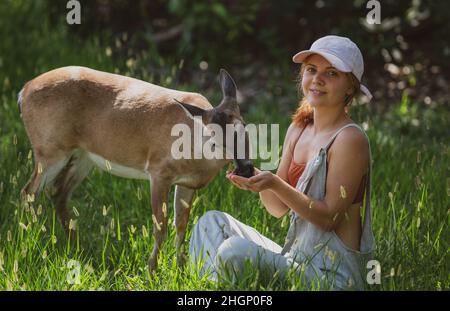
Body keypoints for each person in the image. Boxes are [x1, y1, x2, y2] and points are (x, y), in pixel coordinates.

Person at [189, 35, 376, 290]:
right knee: (210, 223)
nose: (318, 79)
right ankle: (217, 288)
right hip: (295, 261)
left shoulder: (350, 139)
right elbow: (277, 208)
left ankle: (221, 286)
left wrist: (274, 183)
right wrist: (258, 179)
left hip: (332, 278)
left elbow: (330, 218)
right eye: (311, 70)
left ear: (350, 87)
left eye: (331, 73)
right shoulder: (298, 129)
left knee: (235, 251)